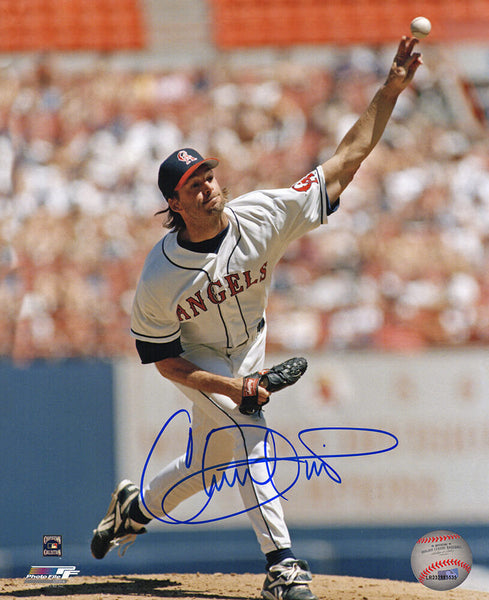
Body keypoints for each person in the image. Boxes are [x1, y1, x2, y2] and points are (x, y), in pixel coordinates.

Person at [91, 37, 422, 600]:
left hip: (250, 345)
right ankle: (283, 567)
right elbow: (166, 362)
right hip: (199, 362)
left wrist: (389, 90)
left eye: (209, 175)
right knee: (249, 431)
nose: (207, 185)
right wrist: (232, 387)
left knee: (208, 467)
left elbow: (344, 163)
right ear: (175, 204)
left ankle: (135, 507)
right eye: (192, 183)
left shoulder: (262, 215)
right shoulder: (160, 276)